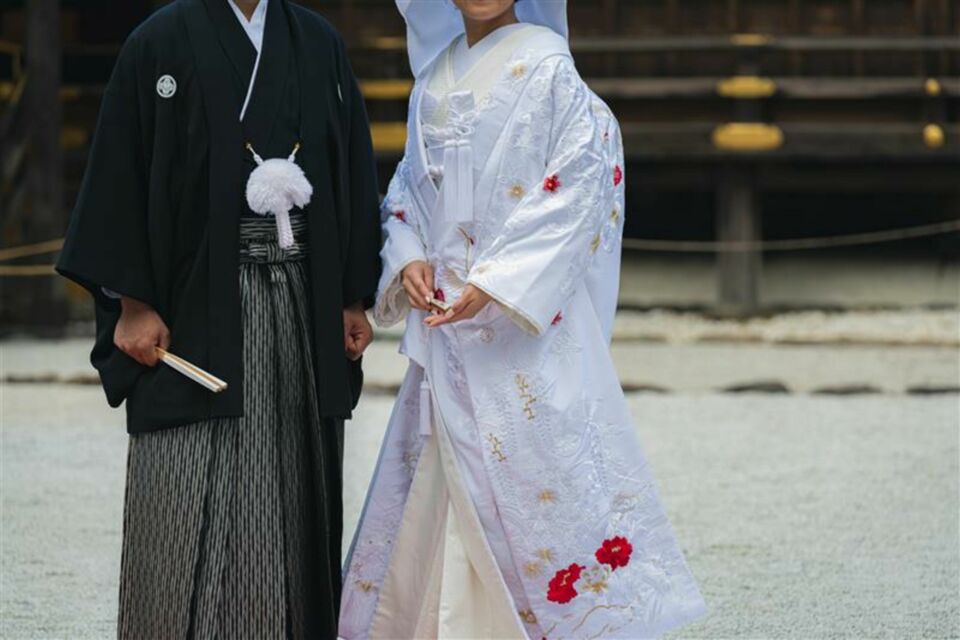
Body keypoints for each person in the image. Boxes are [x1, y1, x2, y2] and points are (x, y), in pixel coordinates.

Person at [340, 1, 707, 638]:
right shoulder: (433, 76)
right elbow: (407, 188)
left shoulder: (547, 67)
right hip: (446, 320)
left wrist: (496, 279)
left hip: (516, 328)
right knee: (433, 482)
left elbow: (578, 179)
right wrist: (411, 259)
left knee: (535, 486)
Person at [55, 0, 381, 637]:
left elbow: (350, 168)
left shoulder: (318, 43)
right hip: (193, 305)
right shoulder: (159, 42)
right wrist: (134, 303)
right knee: (181, 481)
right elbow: (120, 171)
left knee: (291, 487)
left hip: (298, 304)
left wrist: (350, 296)